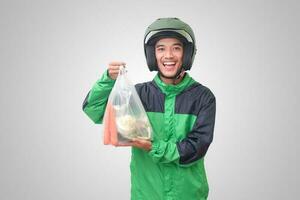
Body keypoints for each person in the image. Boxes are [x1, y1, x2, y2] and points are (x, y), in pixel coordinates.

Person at [82, 17, 216, 200]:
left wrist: (152, 147)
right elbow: (95, 111)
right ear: (152, 55)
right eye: (161, 48)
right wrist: (107, 81)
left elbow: (196, 148)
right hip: (146, 195)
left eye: (176, 48)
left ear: (187, 54)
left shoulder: (203, 97)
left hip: (189, 195)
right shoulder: (138, 96)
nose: (168, 55)